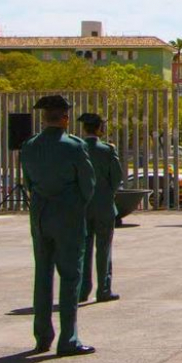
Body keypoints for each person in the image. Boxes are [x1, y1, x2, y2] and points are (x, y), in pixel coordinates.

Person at [20, 95, 96, 356]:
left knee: (43, 275)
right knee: (71, 275)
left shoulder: (29, 146)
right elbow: (88, 183)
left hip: (41, 215)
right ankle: (68, 338)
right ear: (65, 117)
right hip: (68, 216)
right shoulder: (74, 146)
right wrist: (77, 205)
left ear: (44, 118)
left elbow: (29, 182)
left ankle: (42, 336)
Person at [77, 112, 122, 304]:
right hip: (104, 206)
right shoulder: (107, 150)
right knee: (104, 248)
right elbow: (117, 178)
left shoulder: (77, 149)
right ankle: (104, 289)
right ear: (99, 129)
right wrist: (107, 194)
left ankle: (82, 289)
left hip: (82, 206)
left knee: (83, 250)